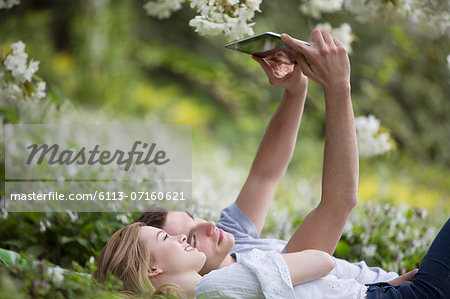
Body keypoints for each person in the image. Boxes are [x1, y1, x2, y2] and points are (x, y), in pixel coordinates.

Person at [133, 28, 399, 285]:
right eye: (191, 239)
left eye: (195, 219)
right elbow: (338, 203)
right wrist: (338, 87)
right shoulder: (269, 278)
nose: (209, 225)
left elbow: (265, 175)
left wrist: (295, 90)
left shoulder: (230, 243)